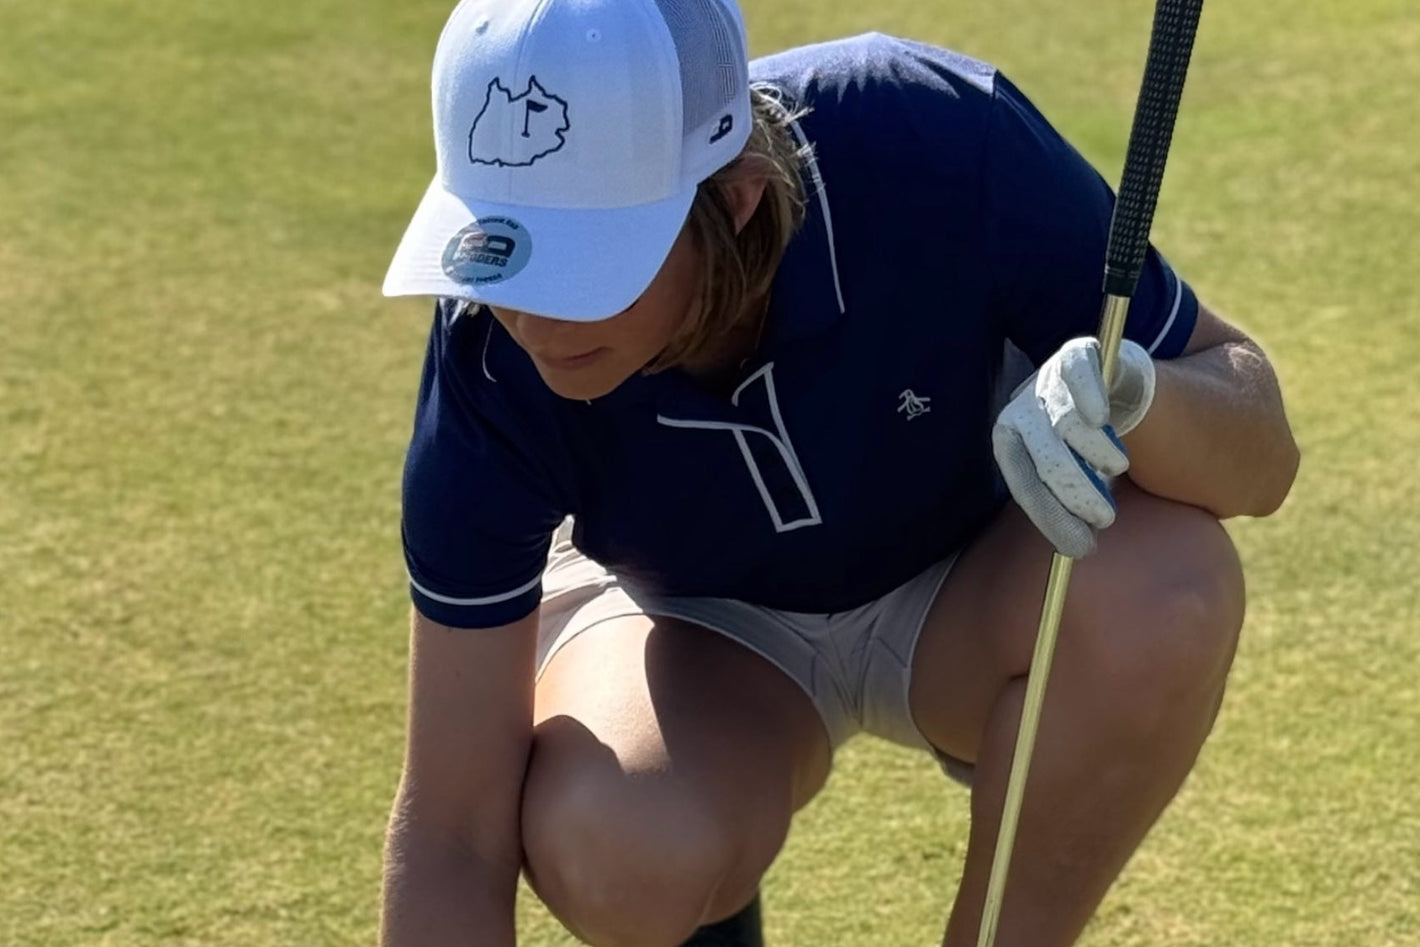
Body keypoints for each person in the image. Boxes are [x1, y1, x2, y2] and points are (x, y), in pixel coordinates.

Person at [376, 0, 1299, 944]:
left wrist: (1138, 393)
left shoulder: (931, 136)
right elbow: (452, 830)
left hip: (967, 588)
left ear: (734, 199)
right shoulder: (485, 350)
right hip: (689, 628)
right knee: (617, 843)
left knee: (1169, 589)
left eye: (584, 262)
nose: (528, 317)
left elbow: (1261, 447)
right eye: (504, 249)